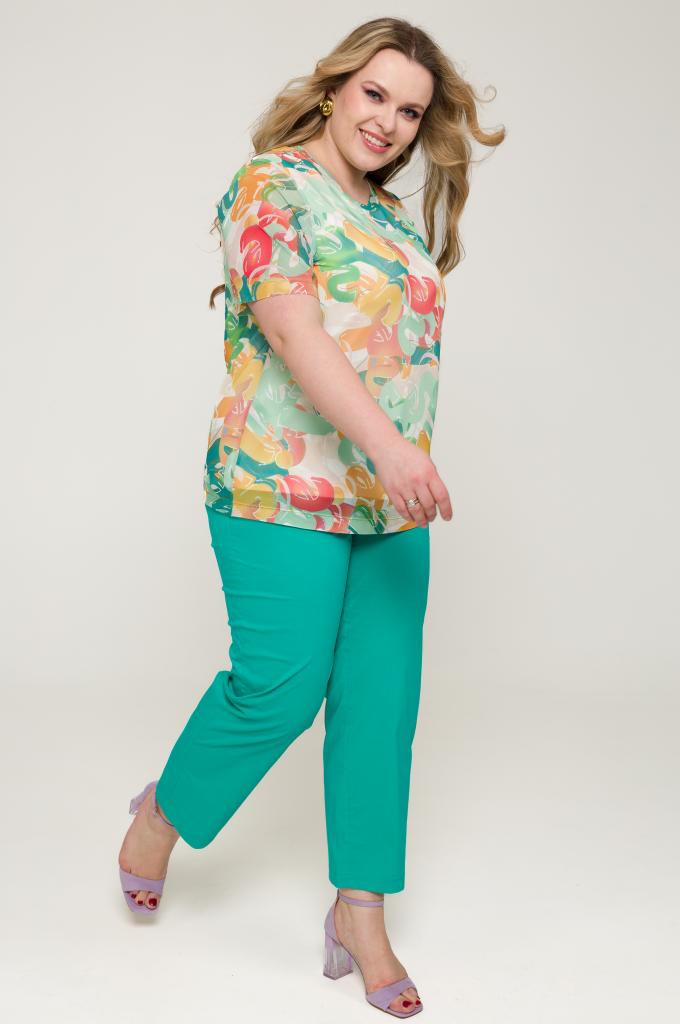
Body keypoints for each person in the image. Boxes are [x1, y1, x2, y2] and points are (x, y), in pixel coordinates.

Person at [117, 16, 504, 1018]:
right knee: (278, 691)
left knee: (380, 705)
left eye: (409, 111)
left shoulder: (394, 223)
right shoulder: (268, 187)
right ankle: (161, 815)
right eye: (374, 94)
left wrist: (397, 463)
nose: (388, 121)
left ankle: (360, 912)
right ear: (334, 88)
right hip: (277, 483)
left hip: (388, 500)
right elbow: (292, 330)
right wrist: (392, 450)